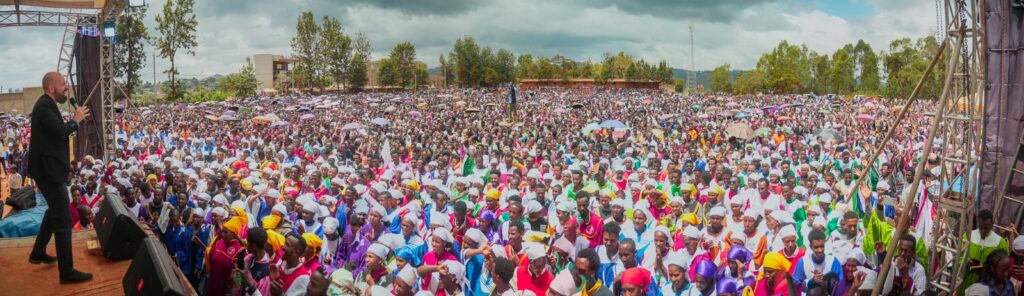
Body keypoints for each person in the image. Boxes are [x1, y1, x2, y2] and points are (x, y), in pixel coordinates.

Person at [27, 72, 91, 283]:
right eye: (63, 84)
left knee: (54, 211)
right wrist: (76, 120)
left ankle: (38, 251)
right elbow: (59, 132)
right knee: (63, 219)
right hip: (49, 172)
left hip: (50, 171)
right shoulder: (45, 106)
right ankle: (67, 271)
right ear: (52, 88)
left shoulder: (47, 105)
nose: (67, 88)